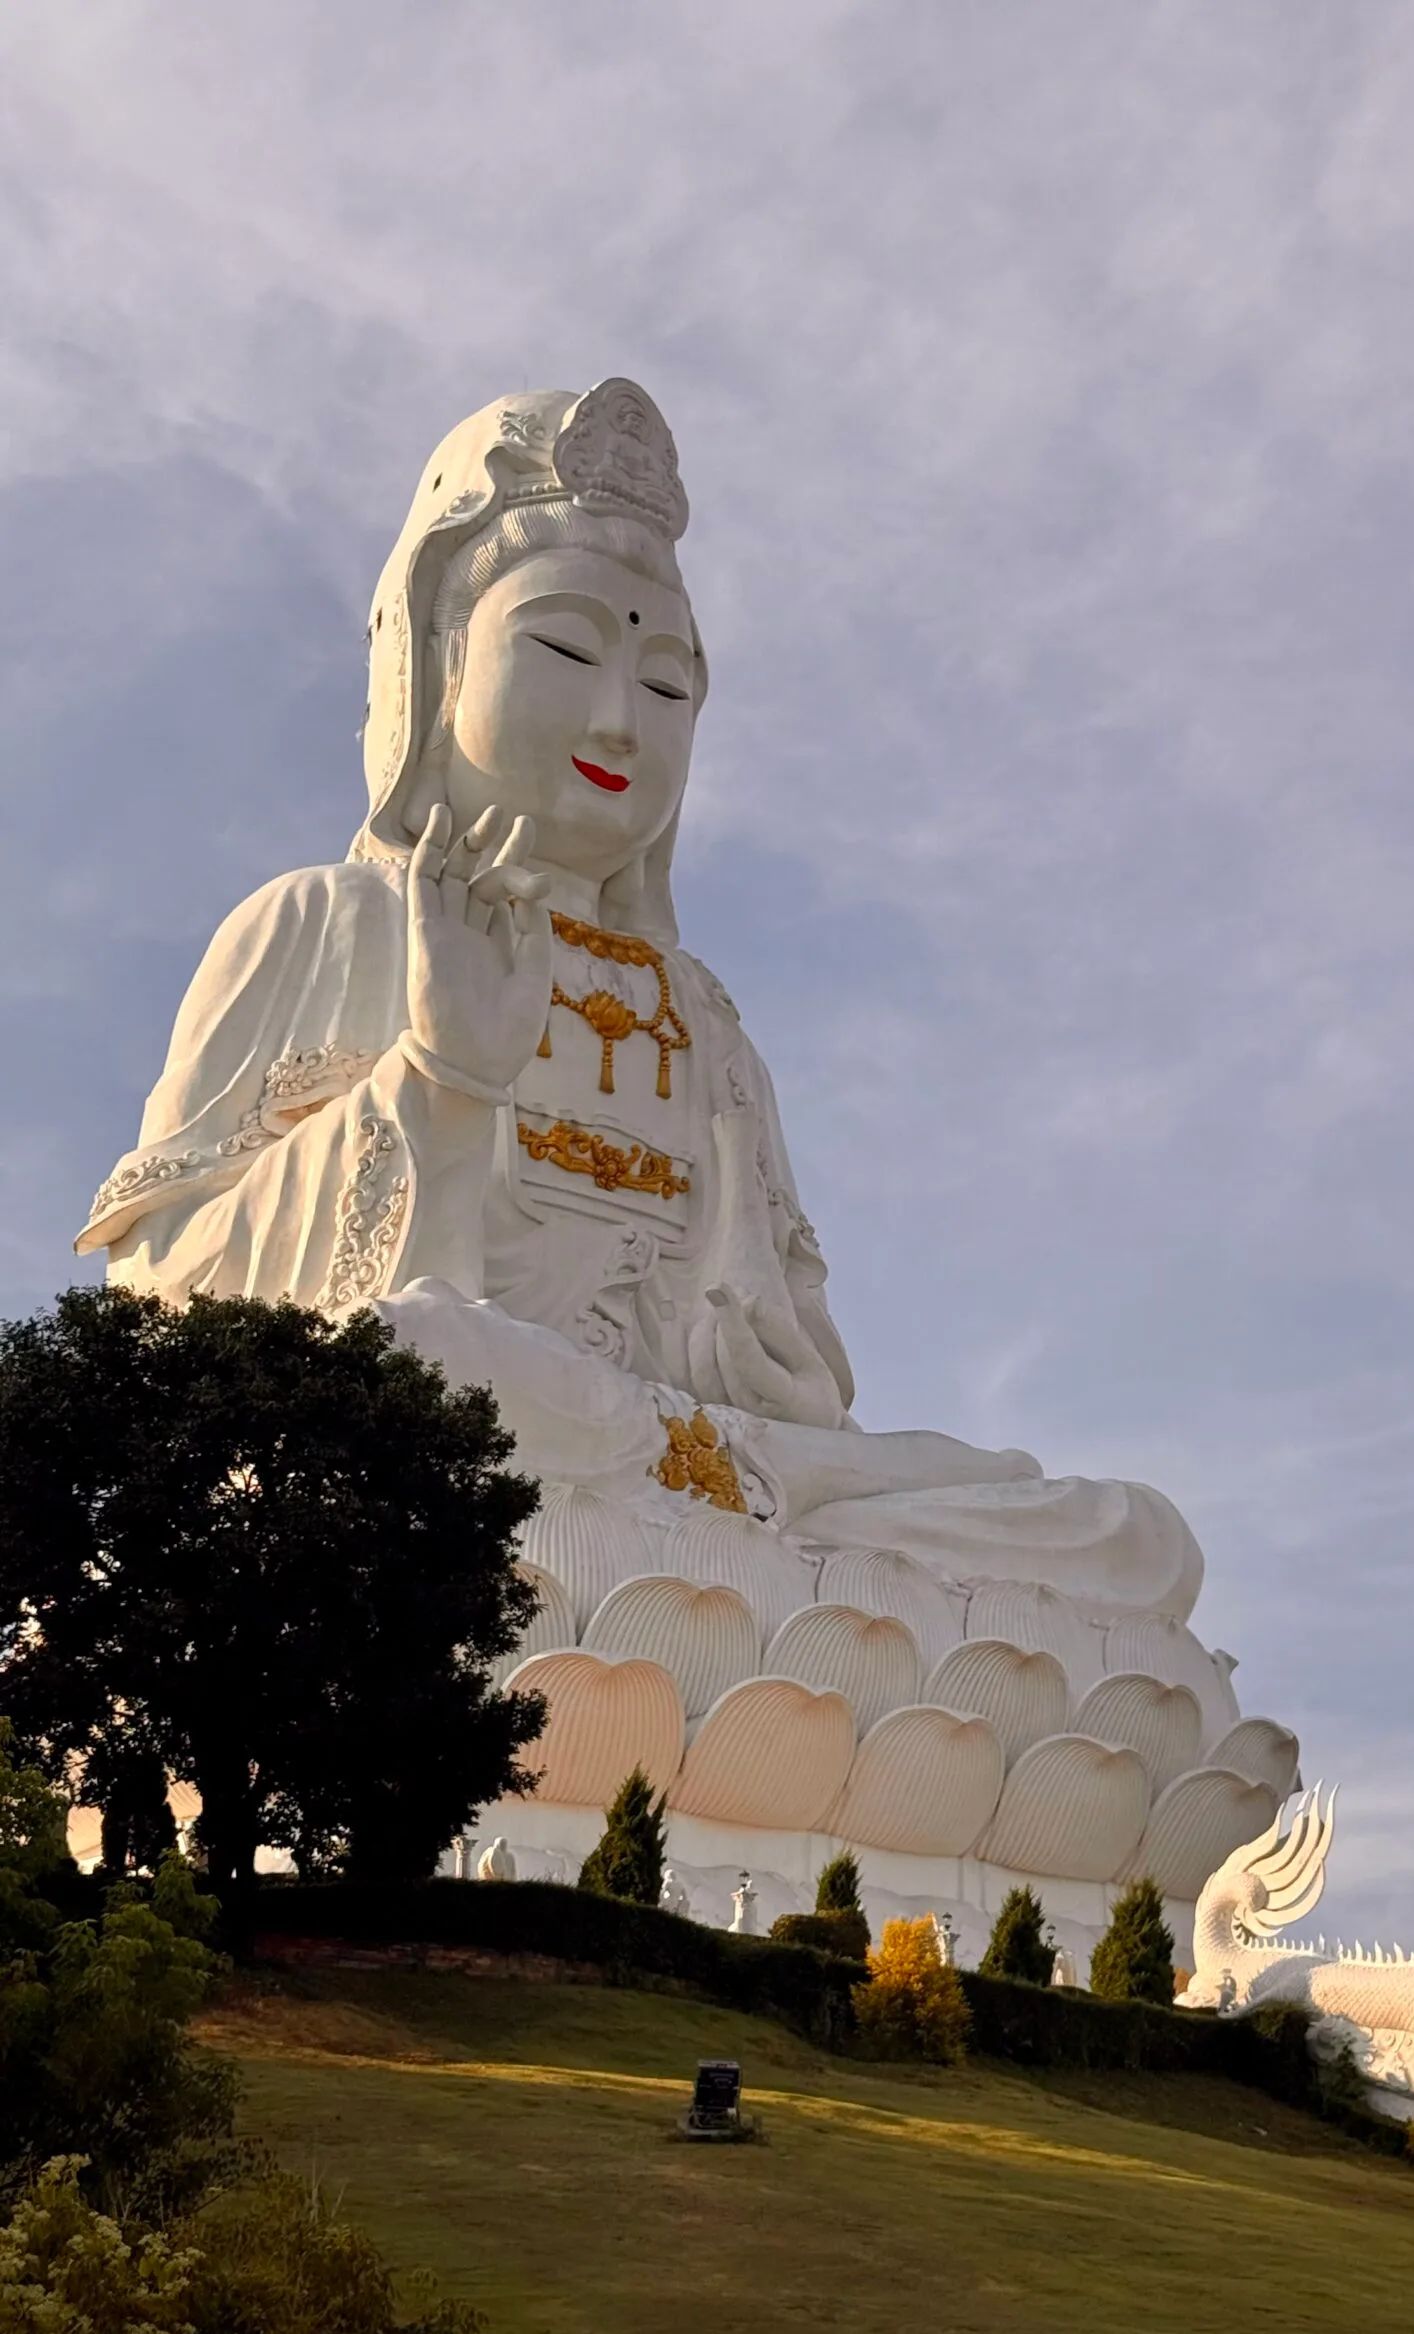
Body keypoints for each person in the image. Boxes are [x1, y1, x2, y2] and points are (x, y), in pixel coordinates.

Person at [81, 381, 1201, 1618]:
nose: (622, 715)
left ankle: (733, 1609)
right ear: (441, 662)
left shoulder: (703, 1020)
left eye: (668, 685)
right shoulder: (329, 924)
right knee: (419, 1365)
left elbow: (796, 1388)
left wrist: (737, 1346)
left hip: (709, 1480)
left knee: (1127, 1540)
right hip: (468, 1450)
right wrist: (439, 1079)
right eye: (564, 648)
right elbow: (164, 1317)